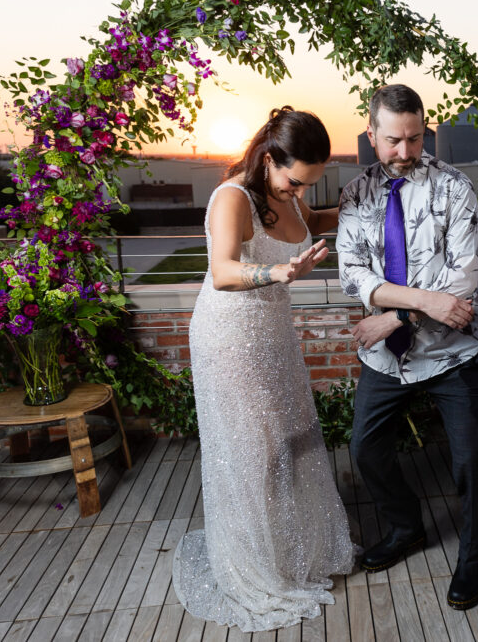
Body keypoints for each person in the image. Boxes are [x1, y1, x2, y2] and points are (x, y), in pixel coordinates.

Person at [173, 107, 355, 632]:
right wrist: (280, 270)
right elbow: (224, 270)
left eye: (310, 183)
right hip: (229, 335)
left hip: (272, 334)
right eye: (296, 180)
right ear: (270, 158)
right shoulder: (232, 197)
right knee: (252, 448)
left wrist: (356, 205)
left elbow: (311, 224)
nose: (301, 192)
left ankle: (292, 547)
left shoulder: (287, 195)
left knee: (285, 439)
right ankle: (257, 563)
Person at [336, 83, 478, 611]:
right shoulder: (355, 193)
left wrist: (395, 314)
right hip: (387, 355)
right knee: (365, 448)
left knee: (473, 459)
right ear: (371, 134)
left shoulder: (455, 188)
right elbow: (353, 274)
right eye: (392, 141)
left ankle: (474, 560)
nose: (404, 152)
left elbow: (463, 282)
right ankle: (406, 527)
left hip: (453, 353)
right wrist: (405, 312)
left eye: (414, 138)